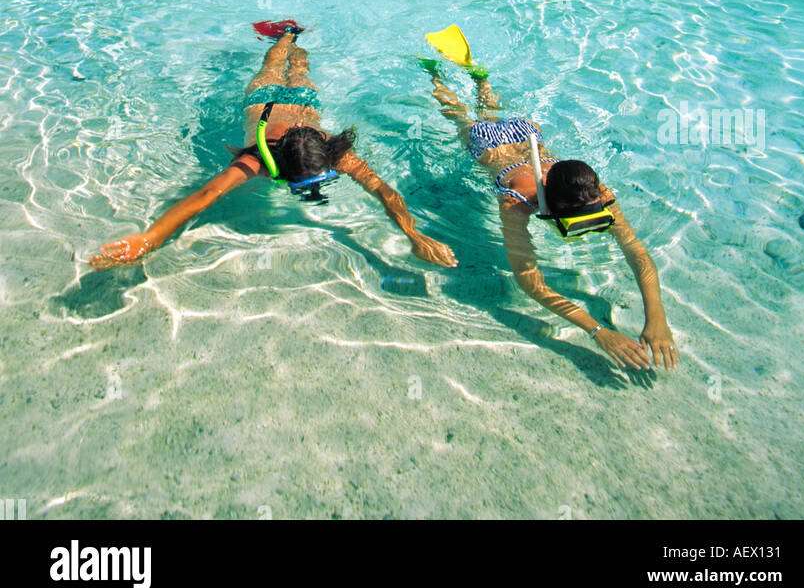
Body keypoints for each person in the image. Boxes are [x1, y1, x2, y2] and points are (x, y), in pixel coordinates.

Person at [90, 21, 457, 270]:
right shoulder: (259, 161)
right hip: (268, 97)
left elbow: (385, 192)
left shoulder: (336, 154)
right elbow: (204, 196)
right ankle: (287, 35)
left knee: (298, 71)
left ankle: (292, 40)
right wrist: (148, 239)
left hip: (300, 101)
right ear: (279, 167)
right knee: (277, 63)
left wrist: (415, 234)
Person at [423, 59, 677, 371]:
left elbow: (635, 250)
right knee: (460, 114)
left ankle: (478, 78)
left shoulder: (595, 192)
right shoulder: (516, 201)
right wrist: (597, 331)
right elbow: (528, 278)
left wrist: (657, 317)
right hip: (487, 145)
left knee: (486, 110)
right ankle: (435, 72)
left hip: (524, 132)